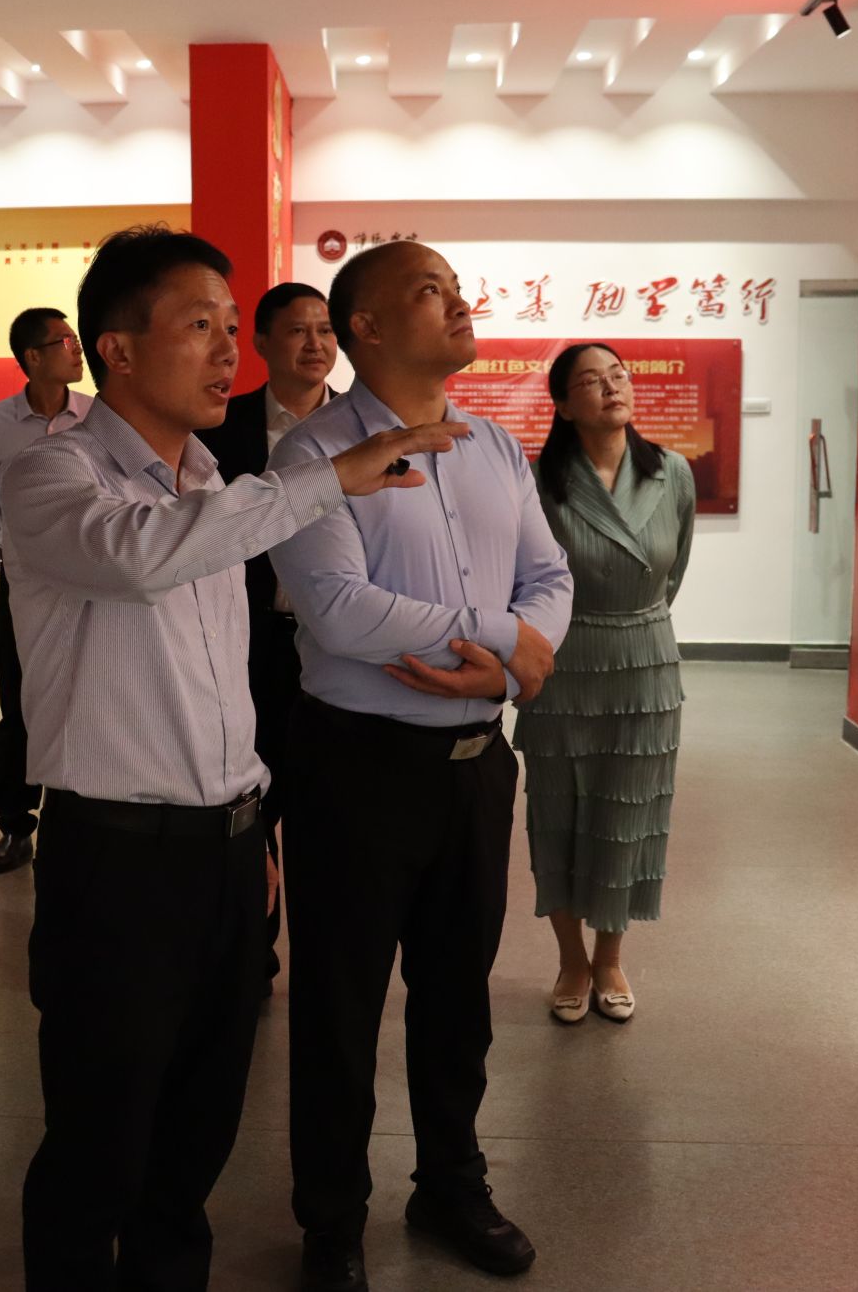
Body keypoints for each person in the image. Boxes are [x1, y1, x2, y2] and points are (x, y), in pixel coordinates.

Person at [2, 226, 463, 1291]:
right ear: (115, 349)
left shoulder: (211, 476)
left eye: (227, 325)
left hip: (222, 852)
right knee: (98, 1143)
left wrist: (248, 822)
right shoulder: (53, 470)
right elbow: (138, 556)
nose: (226, 350)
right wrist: (327, 479)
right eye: (199, 325)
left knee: (195, 1138)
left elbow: (224, 681)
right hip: (115, 860)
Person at [267, 240, 574, 1292]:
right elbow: (340, 612)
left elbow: (549, 575)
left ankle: (450, 1182)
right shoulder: (311, 457)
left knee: (457, 995)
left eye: (454, 287)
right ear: (365, 327)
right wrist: (499, 640)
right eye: (429, 291)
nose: (458, 303)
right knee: (340, 1003)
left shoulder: (494, 446)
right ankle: (330, 1217)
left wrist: (511, 660)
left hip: (476, 764)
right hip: (356, 768)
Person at [518, 342, 695, 1024]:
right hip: (563, 660)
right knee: (559, 813)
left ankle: (611, 956)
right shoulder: (541, 480)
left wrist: (635, 617)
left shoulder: (671, 472)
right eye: (591, 381)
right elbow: (525, 576)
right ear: (564, 406)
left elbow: (672, 571)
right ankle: (571, 959)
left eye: (618, 375)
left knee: (628, 816)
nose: (611, 387)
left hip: (645, 662)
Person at [197, 280, 337, 989]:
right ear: (260, 342)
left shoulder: (364, 430)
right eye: (297, 330)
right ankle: (253, 951)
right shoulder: (223, 428)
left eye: (325, 330)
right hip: (250, 642)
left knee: (327, 808)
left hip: (335, 648)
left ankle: (327, 955)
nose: (315, 343)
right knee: (252, 804)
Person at [0, 307, 93, 874]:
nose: (76, 348)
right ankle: (15, 827)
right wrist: (9, 566)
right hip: (21, 586)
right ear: (33, 357)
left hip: (86, 585)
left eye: (75, 338)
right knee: (16, 702)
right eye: (64, 341)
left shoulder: (95, 416)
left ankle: (80, 815)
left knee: (85, 695)